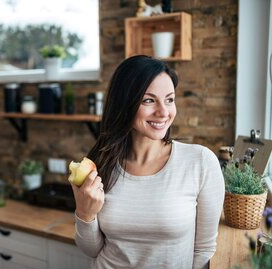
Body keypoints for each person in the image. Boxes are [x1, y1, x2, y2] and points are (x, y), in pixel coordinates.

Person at [70, 55, 225, 269]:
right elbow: (91, 250)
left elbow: (203, 250)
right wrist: (84, 214)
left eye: (169, 99)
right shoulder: (101, 164)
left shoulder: (200, 162)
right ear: (125, 104)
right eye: (149, 100)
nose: (163, 112)